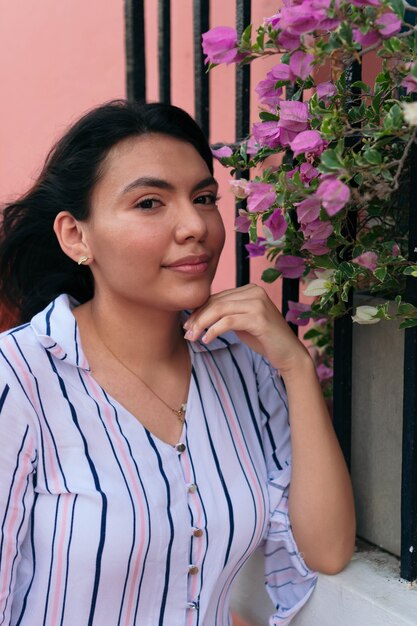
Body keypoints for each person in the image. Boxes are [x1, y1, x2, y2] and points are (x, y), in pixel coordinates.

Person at [0, 100, 355, 626]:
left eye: (204, 198)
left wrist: (297, 367)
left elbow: (326, 551)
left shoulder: (243, 366)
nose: (195, 226)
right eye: (149, 203)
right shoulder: (20, 379)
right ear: (76, 236)